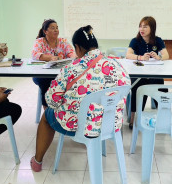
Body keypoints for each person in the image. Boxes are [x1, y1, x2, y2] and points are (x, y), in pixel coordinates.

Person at [30, 25, 130, 172]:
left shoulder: (70, 69)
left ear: (77, 47)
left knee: (46, 117)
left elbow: (51, 100)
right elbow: (125, 89)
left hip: (78, 126)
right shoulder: (117, 65)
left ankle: (37, 162)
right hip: (110, 122)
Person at [125, 16, 169, 129]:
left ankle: (163, 115)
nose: (142, 29)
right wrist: (140, 57)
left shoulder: (157, 40)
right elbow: (128, 55)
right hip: (140, 74)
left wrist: (158, 57)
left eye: (145, 26)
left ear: (152, 28)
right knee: (136, 87)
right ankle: (133, 119)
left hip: (154, 73)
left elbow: (166, 55)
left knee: (161, 86)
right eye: (140, 26)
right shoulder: (135, 40)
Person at [31, 19, 76, 109]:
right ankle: (47, 111)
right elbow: (35, 54)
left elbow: (71, 52)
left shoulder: (63, 41)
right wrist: (50, 57)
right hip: (41, 75)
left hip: (59, 74)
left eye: (57, 28)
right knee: (46, 83)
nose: (56, 30)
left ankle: (64, 109)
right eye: (53, 28)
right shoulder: (39, 42)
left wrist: (74, 56)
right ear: (45, 31)